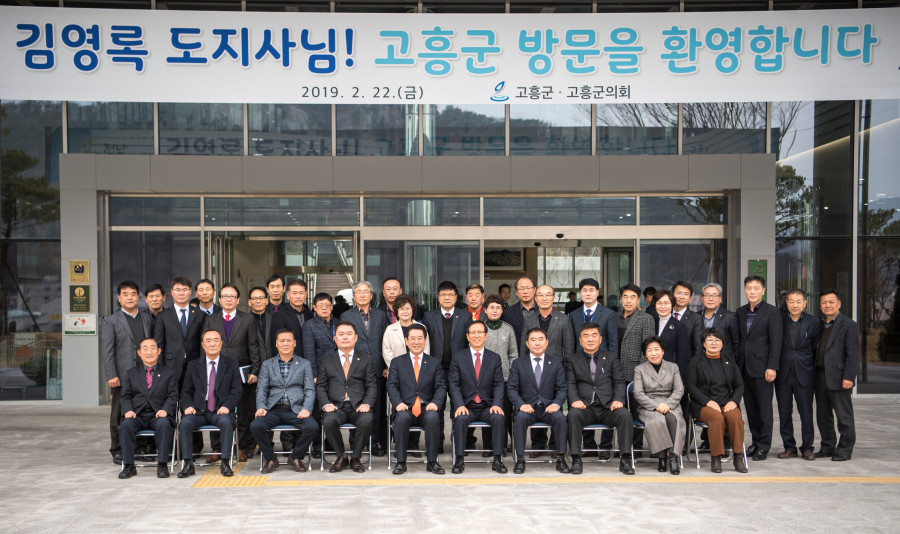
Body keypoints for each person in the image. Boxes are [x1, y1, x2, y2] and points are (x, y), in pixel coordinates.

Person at [565, 322, 634, 476]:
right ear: (580, 340)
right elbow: (570, 383)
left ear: (600, 339)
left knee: (625, 415)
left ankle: (625, 459)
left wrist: (618, 399)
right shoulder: (572, 359)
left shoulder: (611, 357)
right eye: (586, 336)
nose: (590, 339)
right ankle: (576, 458)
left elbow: (619, 381)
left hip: (608, 407)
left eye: (594, 335)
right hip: (585, 407)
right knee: (572, 415)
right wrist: (575, 400)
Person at [204, 283, 262, 462]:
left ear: (238, 300)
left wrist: (255, 370)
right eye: (225, 296)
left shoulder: (247, 319)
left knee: (243, 411)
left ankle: (242, 447)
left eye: (232, 296)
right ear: (219, 299)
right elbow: (205, 344)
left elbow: (253, 346)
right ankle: (217, 448)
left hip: (241, 372)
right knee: (215, 408)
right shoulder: (211, 319)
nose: (228, 299)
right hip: (216, 370)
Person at [251, 328, 320, 474]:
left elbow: (310, 389)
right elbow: (261, 389)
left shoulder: (304, 364)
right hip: (273, 409)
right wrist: (261, 407)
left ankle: (295, 457)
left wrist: (306, 408)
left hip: (296, 409)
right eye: (282, 341)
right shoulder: (267, 364)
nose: (285, 343)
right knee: (256, 426)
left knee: (312, 427)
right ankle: (271, 459)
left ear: (294, 343)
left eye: (289, 340)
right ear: (276, 344)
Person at [177, 329, 242, 478]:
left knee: (226, 422)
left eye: (215, 340)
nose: (212, 344)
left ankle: (225, 462)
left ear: (221, 343)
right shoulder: (193, 365)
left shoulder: (231, 364)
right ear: (202, 345)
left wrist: (227, 406)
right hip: (198, 410)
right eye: (208, 341)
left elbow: (237, 391)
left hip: (220, 409)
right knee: (185, 423)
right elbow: (186, 391)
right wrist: (188, 406)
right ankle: (187, 463)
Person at [517, 285, 575, 455]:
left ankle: (556, 445)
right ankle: (538, 445)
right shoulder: (529, 319)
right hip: (533, 370)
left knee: (555, 408)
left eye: (548, 295)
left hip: (556, 372)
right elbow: (523, 348)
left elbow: (569, 350)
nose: (544, 298)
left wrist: (567, 373)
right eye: (540, 295)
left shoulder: (563, 319)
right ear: (535, 298)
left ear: (554, 298)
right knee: (535, 403)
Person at [102, 280, 154, 464]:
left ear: (138, 297)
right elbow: (108, 351)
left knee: (143, 410)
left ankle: (140, 447)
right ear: (119, 298)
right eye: (125, 294)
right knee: (119, 413)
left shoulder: (146, 318)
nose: (129, 297)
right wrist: (111, 375)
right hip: (122, 376)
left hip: (145, 374)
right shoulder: (111, 321)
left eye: (133, 294)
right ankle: (117, 449)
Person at [317, 322, 377, 473]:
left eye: (349, 334)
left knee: (367, 420)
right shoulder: (326, 360)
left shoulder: (365, 359)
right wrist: (326, 404)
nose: (345, 337)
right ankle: (341, 456)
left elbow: (371, 385)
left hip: (358, 406)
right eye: (341, 334)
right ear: (335, 338)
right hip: (336, 406)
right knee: (328, 421)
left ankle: (356, 457)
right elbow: (321, 386)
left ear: (356, 338)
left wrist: (367, 403)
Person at [448, 321, 507, 474]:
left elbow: (498, 384)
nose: (476, 335)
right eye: (473, 332)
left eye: (480, 332)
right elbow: (454, 384)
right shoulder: (458, 357)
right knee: (460, 419)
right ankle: (459, 460)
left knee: (499, 417)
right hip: (466, 405)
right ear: (467, 336)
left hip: (487, 406)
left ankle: (498, 459)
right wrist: (459, 405)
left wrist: (497, 404)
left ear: (485, 336)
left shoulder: (494, 358)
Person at [386, 323, 446, 475]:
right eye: (412, 338)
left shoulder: (434, 363)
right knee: (401, 419)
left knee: (433, 418)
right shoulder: (397, 362)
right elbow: (392, 385)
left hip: (426, 407)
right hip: (405, 407)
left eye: (420, 338)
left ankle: (432, 461)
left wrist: (435, 403)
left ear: (426, 340)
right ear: (406, 341)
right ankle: (401, 462)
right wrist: (397, 403)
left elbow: (441, 387)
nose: (416, 342)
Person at [508, 328, 570, 474]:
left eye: (541, 339)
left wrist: (556, 404)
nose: (537, 343)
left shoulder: (555, 363)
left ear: (547, 342)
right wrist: (521, 405)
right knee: (520, 419)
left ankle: (561, 458)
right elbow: (511, 389)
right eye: (533, 340)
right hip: (527, 408)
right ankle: (520, 459)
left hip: (549, 408)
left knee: (561, 419)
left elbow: (562, 388)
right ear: (527, 343)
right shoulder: (518, 363)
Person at [686, 328, 748, 474]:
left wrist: (734, 401)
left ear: (722, 343)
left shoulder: (729, 361)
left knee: (735, 417)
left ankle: (738, 457)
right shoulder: (696, 362)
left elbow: (739, 385)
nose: (713, 343)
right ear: (703, 343)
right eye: (710, 340)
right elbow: (691, 386)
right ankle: (716, 457)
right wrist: (708, 402)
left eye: (717, 340)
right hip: (703, 404)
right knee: (717, 418)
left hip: (726, 403)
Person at [735, 275, 783, 461]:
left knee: (764, 410)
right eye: (749, 288)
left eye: (756, 288)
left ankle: (764, 446)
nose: (752, 291)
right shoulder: (741, 312)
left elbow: (776, 342)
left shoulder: (772, 312)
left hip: (763, 369)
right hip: (744, 368)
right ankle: (755, 442)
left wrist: (772, 366)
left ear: (763, 290)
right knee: (751, 409)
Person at [117, 337, 179, 479]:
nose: (149, 352)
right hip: (137, 414)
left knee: (164, 425)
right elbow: (125, 396)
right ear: (139, 353)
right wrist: (128, 410)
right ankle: (128, 466)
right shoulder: (131, 373)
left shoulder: (169, 372)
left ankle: (162, 465)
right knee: (125, 426)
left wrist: (165, 409)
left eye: (152, 348)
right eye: (145, 349)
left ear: (159, 351)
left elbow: (173, 395)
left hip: (158, 414)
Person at [341, 281, 389, 456]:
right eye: (358, 292)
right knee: (356, 406)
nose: (362, 295)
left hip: (377, 367)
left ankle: (375, 442)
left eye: (365, 291)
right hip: (355, 368)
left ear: (371, 295)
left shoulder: (381, 315)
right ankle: (356, 443)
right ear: (354, 296)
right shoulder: (346, 315)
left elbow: (386, 341)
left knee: (376, 408)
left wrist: (385, 365)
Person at [423, 280, 470, 452]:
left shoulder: (465, 316)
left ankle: (459, 444)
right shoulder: (429, 316)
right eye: (443, 295)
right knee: (437, 406)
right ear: (438, 298)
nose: (447, 298)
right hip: (436, 369)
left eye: (450, 295)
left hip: (458, 369)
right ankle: (438, 444)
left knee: (459, 405)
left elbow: (468, 343)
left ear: (456, 297)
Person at [776, 289, 821, 461]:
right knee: (784, 412)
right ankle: (789, 447)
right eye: (791, 301)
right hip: (783, 374)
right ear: (786, 302)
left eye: (798, 301)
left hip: (805, 374)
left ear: (805, 303)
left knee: (806, 412)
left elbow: (815, 348)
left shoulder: (813, 322)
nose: (795, 305)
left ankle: (807, 448)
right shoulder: (779, 321)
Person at [814, 289, 859, 462]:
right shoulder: (819, 324)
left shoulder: (848, 325)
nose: (827, 305)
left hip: (840, 377)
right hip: (819, 376)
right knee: (823, 415)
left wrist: (849, 377)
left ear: (839, 304)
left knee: (844, 416)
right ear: (820, 306)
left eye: (831, 302)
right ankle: (827, 446)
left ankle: (845, 449)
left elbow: (853, 355)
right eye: (824, 302)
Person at [632, 336, 686, 475]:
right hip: (649, 406)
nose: (653, 353)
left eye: (656, 349)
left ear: (663, 351)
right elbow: (638, 393)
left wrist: (667, 404)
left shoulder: (673, 367)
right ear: (645, 354)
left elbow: (679, 389)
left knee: (674, 419)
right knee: (658, 419)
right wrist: (656, 406)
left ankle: (673, 457)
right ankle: (662, 457)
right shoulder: (639, 369)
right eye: (649, 350)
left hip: (670, 403)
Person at [480, 294, 518, 455]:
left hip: (504, 379)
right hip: (482, 380)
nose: (494, 310)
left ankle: (501, 446)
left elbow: (513, 355)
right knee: (487, 412)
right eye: (491, 307)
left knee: (503, 413)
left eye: (498, 308)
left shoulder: (508, 329)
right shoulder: (479, 328)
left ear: (502, 310)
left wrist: (512, 376)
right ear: (485, 310)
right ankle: (488, 446)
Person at [617, 284, 656, 383]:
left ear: (638, 300)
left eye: (632, 297)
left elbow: (648, 348)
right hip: (615, 369)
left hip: (634, 370)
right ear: (621, 299)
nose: (628, 301)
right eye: (625, 297)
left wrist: (641, 373)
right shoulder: (614, 317)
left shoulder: (646, 319)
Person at [570, 278, 618, 354]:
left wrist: (612, 360)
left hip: (602, 358)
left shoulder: (609, 314)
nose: (588, 294)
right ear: (580, 293)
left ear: (597, 292)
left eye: (591, 290)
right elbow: (572, 342)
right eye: (585, 290)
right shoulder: (573, 315)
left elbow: (613, 343)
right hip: (579, 359)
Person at [269, 279, 314, 358]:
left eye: (301, 293)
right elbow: (275, 343)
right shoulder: (279, 315)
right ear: (288, 295)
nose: (298, 296)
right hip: (289, 360)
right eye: (294, 293)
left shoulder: (309, 314)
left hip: (308, 359)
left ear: (306, 294)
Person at [382, 294, 429, 369]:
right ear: (397, 312)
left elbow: (426, 350)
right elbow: (387, 353)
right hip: (396, 371)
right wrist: (398, 369)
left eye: (408, 308)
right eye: (401, 309)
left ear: (412, 310)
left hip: (418, 370)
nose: (405, 311)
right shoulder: (390, 330)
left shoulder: (421, 327)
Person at [652, 289, 691, 379]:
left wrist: (680, 378)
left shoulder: (679, 326)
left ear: (672, 304)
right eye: (659, 303)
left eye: (666, 303)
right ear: (655, 305)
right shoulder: (652, 322)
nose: (663, 307)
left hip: (670, 373)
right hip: (652, 372)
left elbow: (682, 355)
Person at [301, 292, 338, 379]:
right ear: (314, 308)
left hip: (339, 369)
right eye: (320, 305)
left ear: (331, 307)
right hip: (321, 371)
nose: (324, 308)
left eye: (327, 305)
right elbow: (309, 353)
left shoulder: (338, 323)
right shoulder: (309, 325)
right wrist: (313, 375)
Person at [700, 283, 740, 359]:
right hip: (701, 361)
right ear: (702, 298)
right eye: (707, 295)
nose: (711, 299)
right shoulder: (696, 316)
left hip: (723, 362)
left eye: (714, 295)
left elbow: (736, 343)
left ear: (720, 299)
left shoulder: (730, 317)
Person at [501, 276, 538, 343]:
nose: (525, 292)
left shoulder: (543, 311)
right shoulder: (508, 313)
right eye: (521, 288)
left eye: (528, 288)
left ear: (534, 289)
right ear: (517, 292)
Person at [672, 281, 703, 357]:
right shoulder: (665, 315)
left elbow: (698, 347)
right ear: (672, 295)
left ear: (690, 298)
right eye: (679, 293)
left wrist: (694, 363)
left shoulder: (696, 318)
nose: (682, 297)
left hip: (686, 362)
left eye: (686, 294)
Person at [248, 286, 273, 361]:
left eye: (261, 298)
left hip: (272, 362)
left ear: (266, 301)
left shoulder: (273, 319)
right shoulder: (244, 321)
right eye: (254, 298)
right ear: (249, 302)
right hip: (253, 363)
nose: (258, 301)